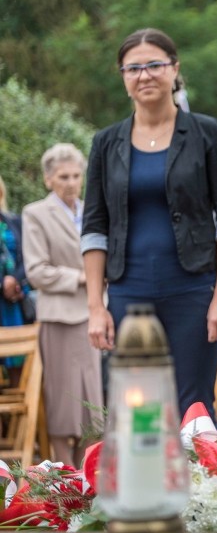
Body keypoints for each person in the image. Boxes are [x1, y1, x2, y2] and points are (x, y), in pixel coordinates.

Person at [82, 28, 217, 418]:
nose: (145, 75)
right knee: (134, 405)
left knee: (195, 404)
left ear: (174, 69)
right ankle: (139, 480)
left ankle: (205, 482)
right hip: (126, 291)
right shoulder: (106, 143)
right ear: (123, 77)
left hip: (193, 289)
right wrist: (95, 307)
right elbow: (94, 227)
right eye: (133, 68)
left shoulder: (207, 133)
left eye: (155, 64)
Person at [22, 143, 103, 465]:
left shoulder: (93, 210)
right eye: (63, 176)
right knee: (62, 401)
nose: (70, 182)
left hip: (93, 314)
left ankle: (88, 473)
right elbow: (37, 271)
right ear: (48, 180)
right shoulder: (36, 213)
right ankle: (62, 471)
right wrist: (82, 277)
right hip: (58, 318)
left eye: (75, 175)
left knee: (92, 402)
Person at [0, 174, 33, 385]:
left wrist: (15, 280)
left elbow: (29, 255)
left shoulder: (14, 221)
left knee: (19, 364)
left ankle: (19, 417)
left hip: (15, 301)